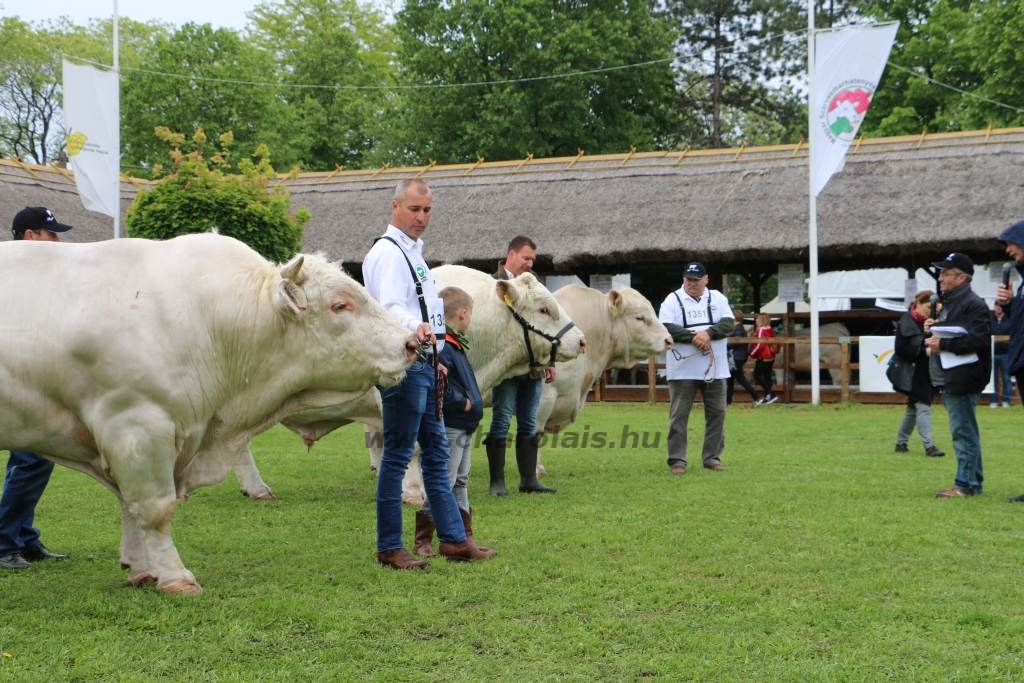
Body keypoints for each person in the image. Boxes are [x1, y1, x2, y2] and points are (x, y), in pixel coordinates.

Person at [362, 179, 495, 568]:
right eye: (415, 209)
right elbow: (390, 309)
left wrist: (433, 350)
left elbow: (421, 308)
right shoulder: (388, 254)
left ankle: (453, 539)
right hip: (404, 365)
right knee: (399, 455)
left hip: (422, 361)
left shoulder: (411, 253)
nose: (422, 217)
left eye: (427, 210)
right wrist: (419, 334)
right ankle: (389, 546)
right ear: (396, 206)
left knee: (436, 454)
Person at [0, 207, 72, 570]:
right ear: (30, 236)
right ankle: (5, 542)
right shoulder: (11, 276)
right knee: (31, 459)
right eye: (50, 233)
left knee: (33, 460)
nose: (56, 240)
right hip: (17, 380)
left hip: (34, 380)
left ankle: (22, 538)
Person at [414, 286, 490, 557]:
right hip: (452, 423)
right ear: (463, 313)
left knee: (459, 480)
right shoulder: (443, 346)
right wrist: (463, 402)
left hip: (464, 424)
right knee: (444, 481)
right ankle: (423, 539)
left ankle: (464, 537)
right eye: (470, 315)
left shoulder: (455, 344)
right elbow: (438, 380)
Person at [484, 236, 557, 495]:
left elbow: (546, 325)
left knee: (529, 423)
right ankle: (497, 483)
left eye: (532, 260)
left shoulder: (534, 283)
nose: (529, 264)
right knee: (501, 421)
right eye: (526, 258)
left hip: (533, 367)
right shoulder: (493, 284)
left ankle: (529, 481)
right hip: (507, 369)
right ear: (511, 255)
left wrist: (550, 358)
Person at [924, 252, 992, 498]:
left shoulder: (973, 304)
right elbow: (951, 334)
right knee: (965, 430)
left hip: (965, 375)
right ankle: (972, 481)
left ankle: (965, 485)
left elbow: (979, 340)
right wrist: (933, 331)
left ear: (962, 278)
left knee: (962, 431)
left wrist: (944, 344)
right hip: (953, 373)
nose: (940, 278)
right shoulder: (952, 303)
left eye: (945, 273)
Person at [657, 262, 735, 474]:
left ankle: (712, 458)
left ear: (706, 279)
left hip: (716, 370)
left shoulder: (718, 298)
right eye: (689, 279)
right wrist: (695, 338)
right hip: (682, 370)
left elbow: (728, 323)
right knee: (679, 416)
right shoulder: (672, 300)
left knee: (717, 413)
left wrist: (708, 334)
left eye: (697, 279)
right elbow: (666, 327)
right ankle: (677, 460)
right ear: (684, 279)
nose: (692, 283)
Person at [892, 290, 945, 457]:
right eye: (929, 307)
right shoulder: (906, 322)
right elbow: (901, 349)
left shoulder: (932, 322)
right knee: (924, 407)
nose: (931, 310)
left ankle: (901, 442)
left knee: (912, 410)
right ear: (919, 304)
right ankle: (929, 446)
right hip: (912, 372)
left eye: (934, 308)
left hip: (926, 370)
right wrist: (924, 351)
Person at [726, 308, 759, 405]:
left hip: (737, 357)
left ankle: (756, 397)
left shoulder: (738, 329)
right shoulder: (737, 328)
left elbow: (734, 344)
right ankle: (728, 401)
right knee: (730, 379)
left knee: (740, 379)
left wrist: (723, 344)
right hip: (736, 357)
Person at [748, 313, 779, 405]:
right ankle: (768, 396)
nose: (756, 320)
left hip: (764, 356)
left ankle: (771, 394)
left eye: (757, 319)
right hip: (771, 356)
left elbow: (759, 344)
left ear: (762, 320)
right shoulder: (770, 329)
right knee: (767, 376)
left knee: (757, 375)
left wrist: (752, 354)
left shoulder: (761, 330)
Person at [990, 303, 1014, 408]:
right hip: (992, 353)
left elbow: (1012, 333)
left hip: (1006, 354)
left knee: (1006, 378)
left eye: (1000, 306)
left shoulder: (1009, 318)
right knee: (992, 380)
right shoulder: (990, 319)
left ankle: (1006, 401)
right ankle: (993, 401)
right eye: (996, 306)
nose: (998, 308)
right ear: (994, 307)